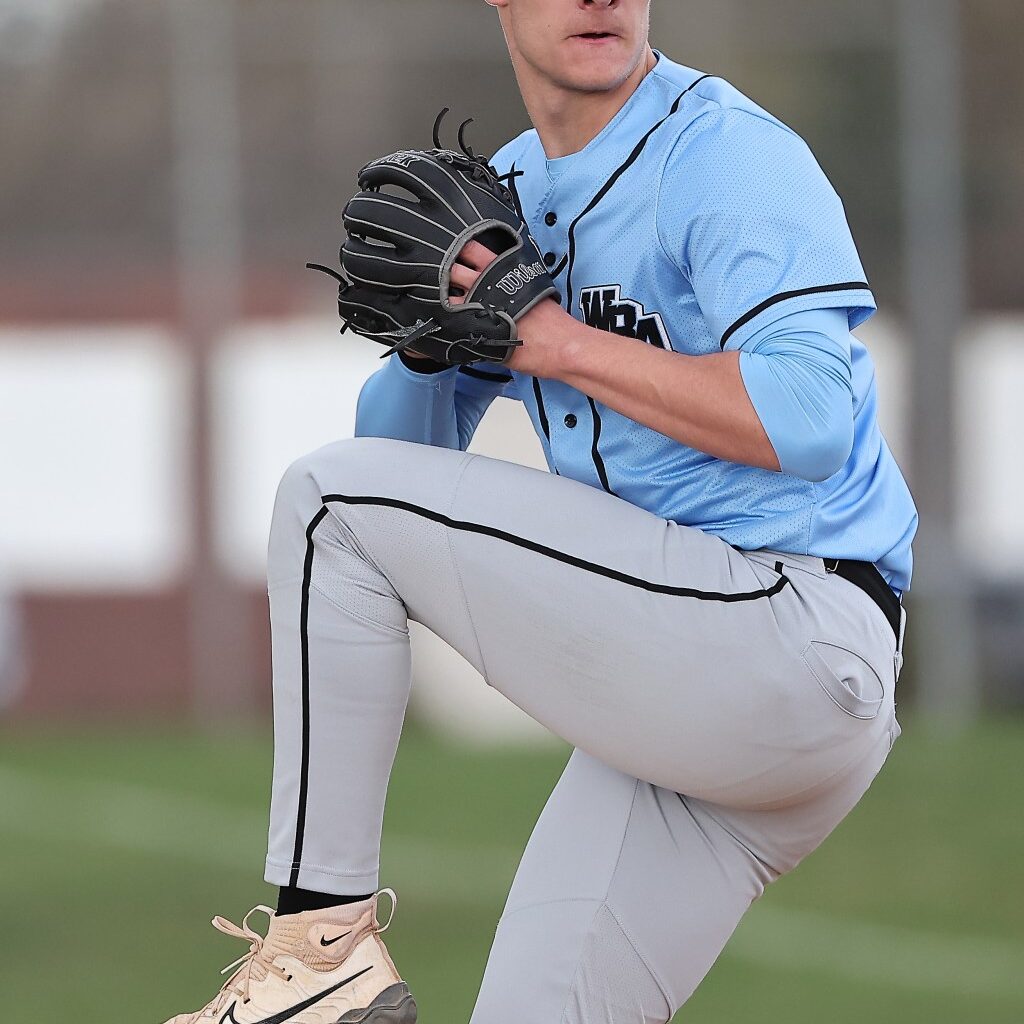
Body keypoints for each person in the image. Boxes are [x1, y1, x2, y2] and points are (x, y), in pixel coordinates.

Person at [162, 1, 917, 1022]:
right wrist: (426, 349)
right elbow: (399, 466)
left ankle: (320, 949)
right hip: (680, 682)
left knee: (326, 500)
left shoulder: (725, 154)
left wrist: (554, 340)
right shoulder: (510, 193)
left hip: (790, 631)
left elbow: (812, 414)